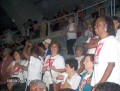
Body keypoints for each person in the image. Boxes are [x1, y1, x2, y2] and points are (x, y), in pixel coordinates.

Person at [91, 16, 120, 88]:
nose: (95, 26)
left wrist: (99, 85)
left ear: (106, 26)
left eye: (98, 24)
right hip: (101, 83)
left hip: (109, 85)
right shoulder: (101, 42)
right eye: (95, 25)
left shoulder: (111, 41)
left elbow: (111, 65)